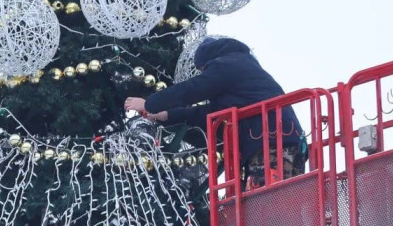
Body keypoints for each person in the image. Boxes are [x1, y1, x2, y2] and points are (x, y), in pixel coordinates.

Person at [125, 37, 306, 188]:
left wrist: (149, 104)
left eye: (203, 71)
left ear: (206, 62)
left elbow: (191, 89)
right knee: (287, 199)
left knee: (269, 200)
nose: (204, 74)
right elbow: (210, 113)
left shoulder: (226, 66)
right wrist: (167, 115)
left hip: (269, 141)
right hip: (287, 139)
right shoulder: (244, 72)